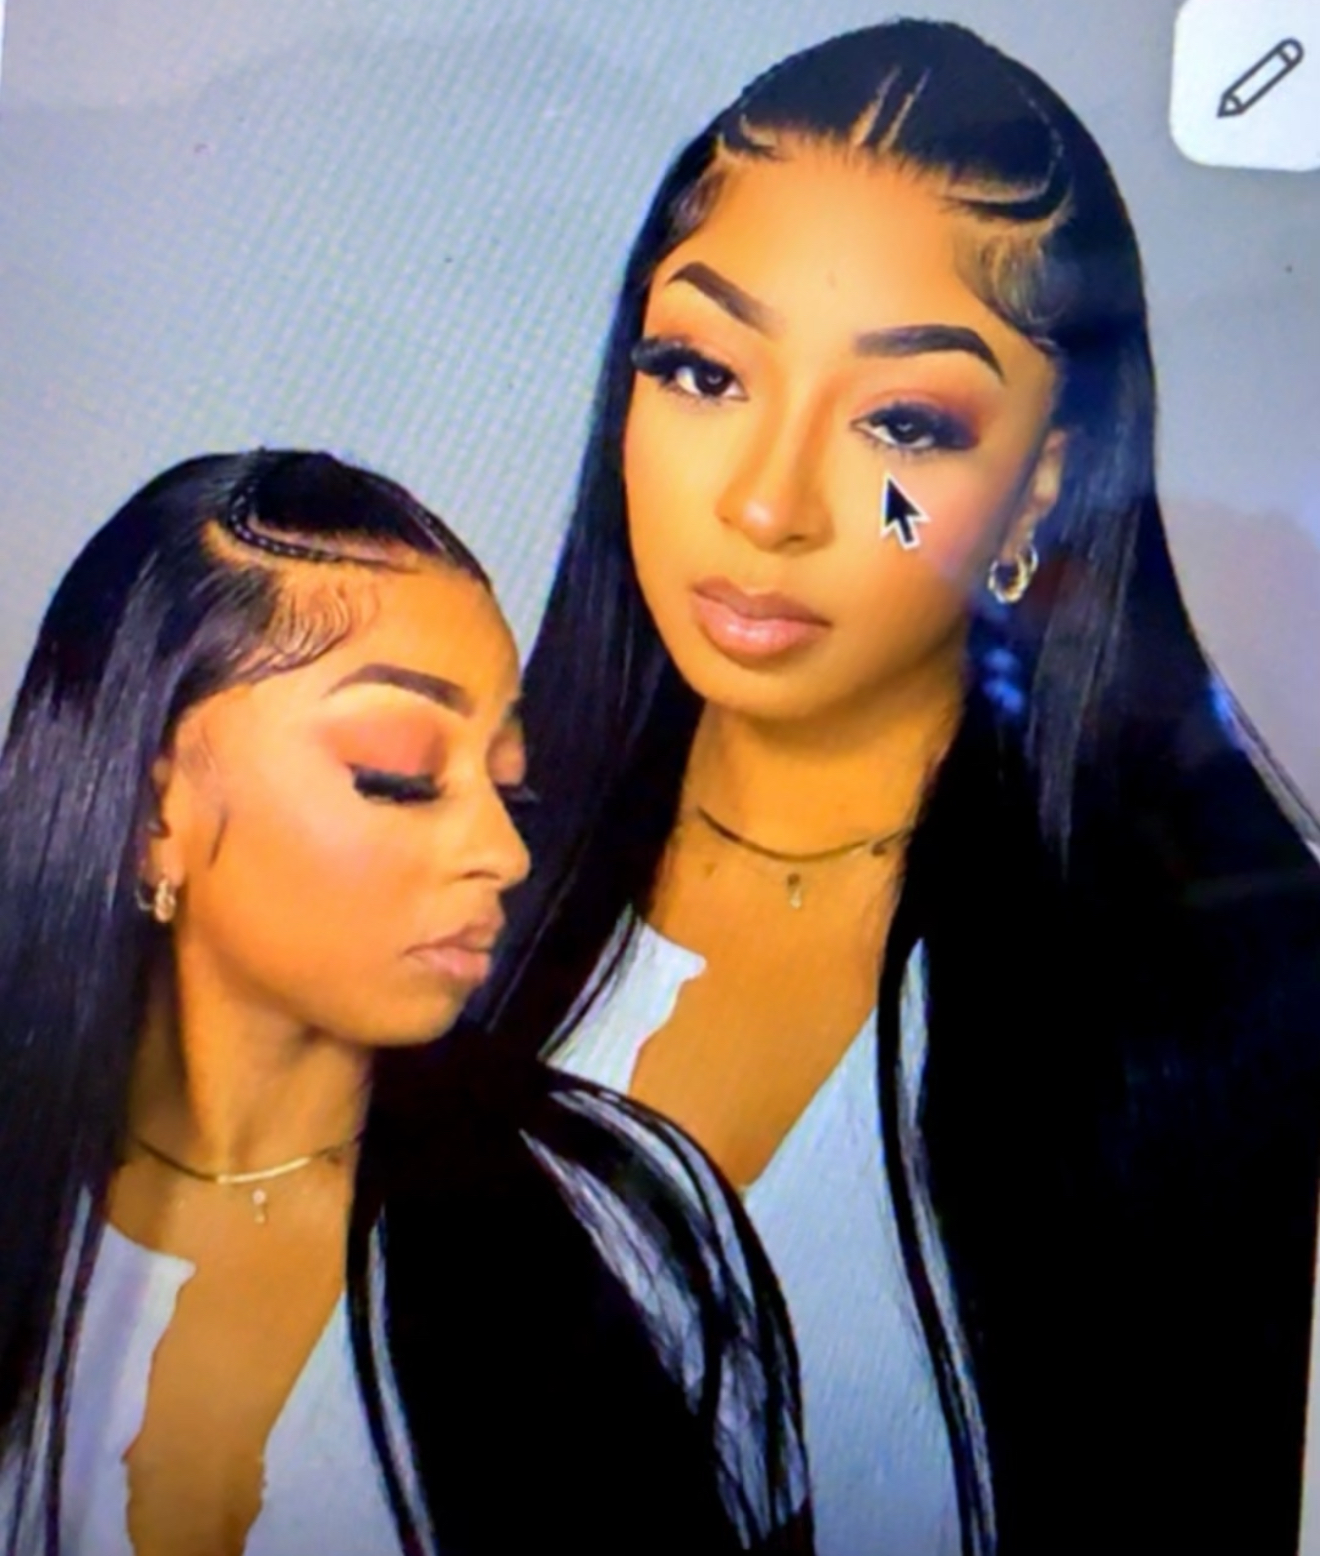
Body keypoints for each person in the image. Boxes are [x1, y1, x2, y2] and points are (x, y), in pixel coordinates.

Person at [478, 18, 1320, 1556]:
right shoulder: (432, 860)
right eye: (704, 370)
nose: (765, 502)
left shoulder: (1217, 999)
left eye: (902, 422)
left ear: (1044, 481)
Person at [0, 449, 809, 1556]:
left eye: (508, 782)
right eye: (400, 774)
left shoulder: (615, 1218)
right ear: (153, 818)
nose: (503, 851)